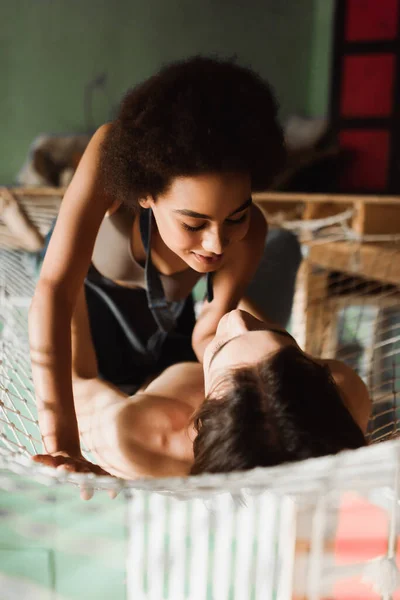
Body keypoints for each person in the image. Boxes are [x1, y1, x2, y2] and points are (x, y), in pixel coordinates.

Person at [29, 56, 288, 475]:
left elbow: (208, 333)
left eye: (235, 217)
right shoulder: (112, 156)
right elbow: (55, 290)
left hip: (166, 316)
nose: (216, 243)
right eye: (193, 222)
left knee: (169, 384)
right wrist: (65, 448)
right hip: (84, 293)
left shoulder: (249, 235)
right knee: (91, 395)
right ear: (146, 194)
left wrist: (259, 378)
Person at [33, 309, 370, 482]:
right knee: (284, 244)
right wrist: (228, 294)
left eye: (226, 346)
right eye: (275, 338)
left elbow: (75, 376)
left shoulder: (136, 434)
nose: (237, 317)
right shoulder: (341, 391)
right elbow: (235, 316)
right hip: (197, 342)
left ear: (205, 413)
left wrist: (68, 273)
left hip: (128, 369)